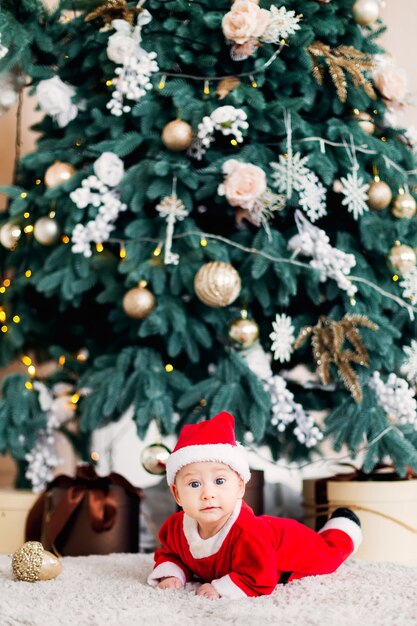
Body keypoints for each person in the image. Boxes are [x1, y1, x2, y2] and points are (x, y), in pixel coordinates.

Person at [147, 411, 362, 599]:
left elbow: (260, 576)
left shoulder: (248, 533)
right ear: (177, 494)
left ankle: (344, 525)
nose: (208, 494)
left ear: (240, 487)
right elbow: (172, 554)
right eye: (194, 484)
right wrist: (172, 573)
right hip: (267, 533)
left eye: (220, 481)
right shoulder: (177, 528)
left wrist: (221, 588)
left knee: (328, 556)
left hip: (290, 546)